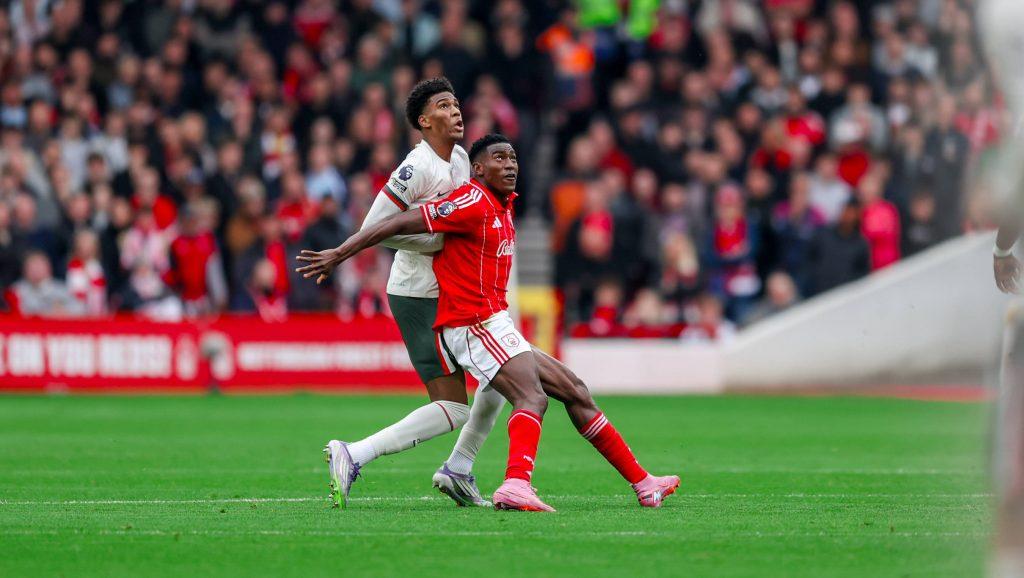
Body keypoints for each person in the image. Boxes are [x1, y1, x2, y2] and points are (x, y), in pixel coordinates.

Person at [297, 134, 680, 512]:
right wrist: (341, 252)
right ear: (477, 169)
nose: (510, 164)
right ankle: (516, 483)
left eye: (513, 158)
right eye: (499, 158)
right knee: (530, 396)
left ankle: (643, 484)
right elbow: (399, 223)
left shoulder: (502, 205)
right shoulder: (471, 200)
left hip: (495, 323)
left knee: (575, 389)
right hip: (473, 324)